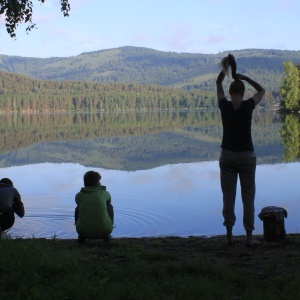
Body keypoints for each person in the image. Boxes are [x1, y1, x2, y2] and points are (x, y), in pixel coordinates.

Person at [216, 54, 265, 246]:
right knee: (248, 198)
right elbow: (262, 90)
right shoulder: (248, 106)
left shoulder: (224, 106)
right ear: (243, 92)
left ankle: (229, 235)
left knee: (228, 197)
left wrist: (226, 69)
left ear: (229, 92)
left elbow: (218, 83)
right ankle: (250, 237)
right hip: (246, 157)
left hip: (227, 156)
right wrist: (244, 78)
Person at [75, 170, 114, 243]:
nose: (100, 183)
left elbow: (79, 205)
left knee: (78, 207)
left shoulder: (79, 195)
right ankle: (107, 236)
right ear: (97, 183)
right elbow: (109, 201)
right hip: (104, 231)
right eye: (99, 181)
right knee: (109, 205)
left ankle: (81, 237)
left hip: (83, 231)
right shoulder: (104, 193)